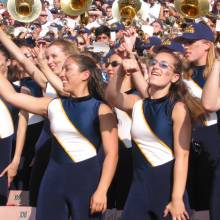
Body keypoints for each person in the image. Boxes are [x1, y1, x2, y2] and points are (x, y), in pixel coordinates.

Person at [0, 54, 118, 220]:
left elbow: (112, 154)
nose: (62, 74)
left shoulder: (101, 109)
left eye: (67, 69)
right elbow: (11, 96)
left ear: (85, 75)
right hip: (53, 179)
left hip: (86, 180)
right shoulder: (53, 105)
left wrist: (102, 190)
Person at [105, 50, 206, 220]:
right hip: (138, 190)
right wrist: (121, 71)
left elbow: (183, 156)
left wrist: (177, 198)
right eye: (154, 63)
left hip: (167, 190)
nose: (156, 67)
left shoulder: (178, 108)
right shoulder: (137, 103)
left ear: (174, 77)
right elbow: (112, 96)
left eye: (164, 65)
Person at [174, 22, 220, 219]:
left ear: (207, 45)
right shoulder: (181, 75)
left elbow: (210, 105)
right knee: (191, 208)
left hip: (214, 148)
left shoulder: (216, 71)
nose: (185, 46)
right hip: (186, 148)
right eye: (184, 42)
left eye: (190, 42)